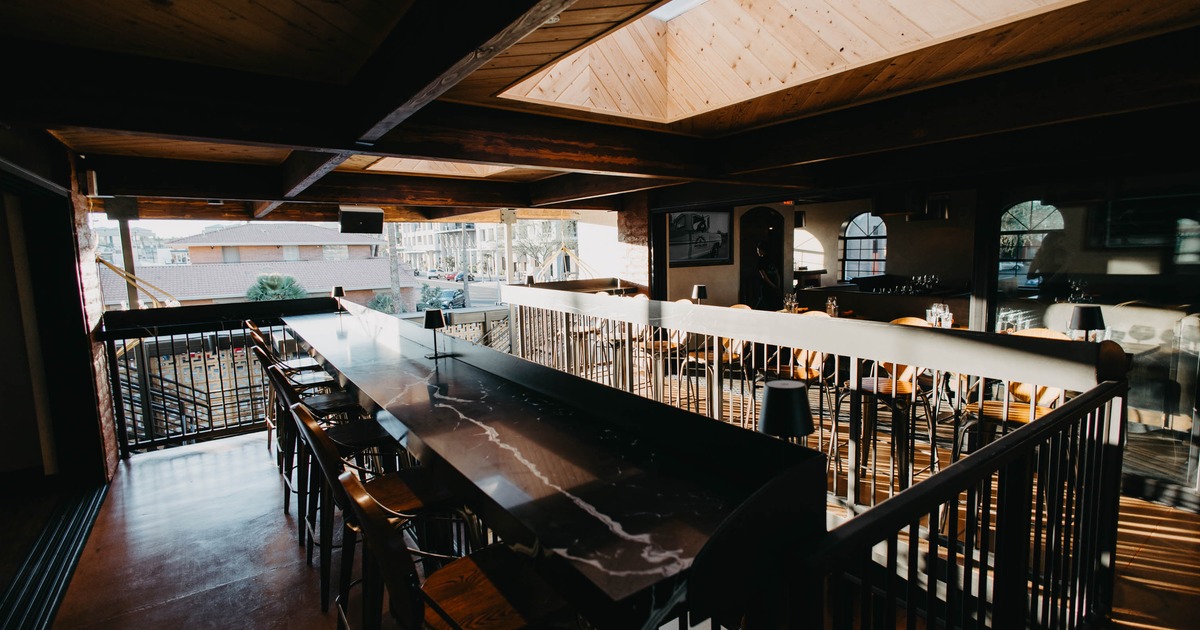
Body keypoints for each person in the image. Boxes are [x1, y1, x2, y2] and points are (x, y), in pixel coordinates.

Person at [753, 242, 782, 310]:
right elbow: (777, 274)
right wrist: (777, 285)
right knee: (771, 304)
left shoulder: (760, 260)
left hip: (766, 286)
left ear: (762, 250)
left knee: (765, 302)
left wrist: (773, 286)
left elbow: (764, 276)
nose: (757, 252)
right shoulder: (772, 259)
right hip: (774, 284)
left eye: (758, 250)